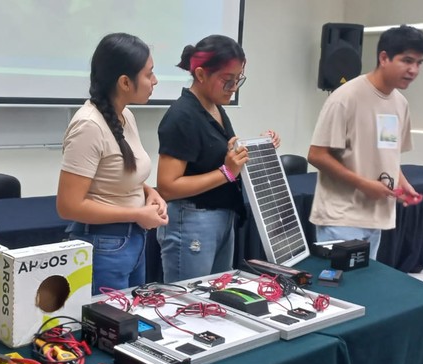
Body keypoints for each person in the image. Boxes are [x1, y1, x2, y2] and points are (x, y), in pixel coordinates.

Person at [156, 34, 280, 283]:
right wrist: (226, 171)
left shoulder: (215, 108)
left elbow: (222, 160)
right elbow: (167, 187)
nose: (233, 87)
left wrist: (259, 147)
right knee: (189, 304)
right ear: (201, 75)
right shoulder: (182, 116)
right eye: (227, 80)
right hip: (192, 221)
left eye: (238, 79)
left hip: (221, 217)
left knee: (215, 301)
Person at [306, 25, 423, 260]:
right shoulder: (345, 97)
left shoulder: (400, 103)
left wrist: (402, 185)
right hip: (341, 218)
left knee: (362, 293)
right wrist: (363, 184)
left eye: (419, 63)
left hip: (375, 217)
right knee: (339, 292)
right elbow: (317, 155)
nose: (413, 70)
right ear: (384, 57)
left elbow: (388, 153)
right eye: (407, 60)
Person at [57, 33, 168, 294]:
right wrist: (137, 214)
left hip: (133, 240)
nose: (155, 81)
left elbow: (122, 178)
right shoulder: (89, 125)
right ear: (125, 82)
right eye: (149, 74)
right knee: (110, 327)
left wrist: (149, 193)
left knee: (131, 323)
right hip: (105, 244)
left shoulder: (126, 115)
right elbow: (68, 205)